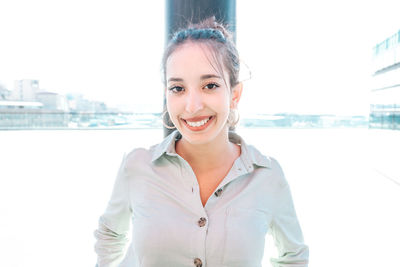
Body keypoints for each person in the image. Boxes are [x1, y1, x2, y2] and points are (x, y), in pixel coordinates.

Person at [94, 17, 309, 267]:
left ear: (235, 94)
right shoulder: (136, 166)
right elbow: (109, 237)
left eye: (210, 85)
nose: (193, 106)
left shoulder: (268, 176)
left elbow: (293, 256)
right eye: (178, 88)